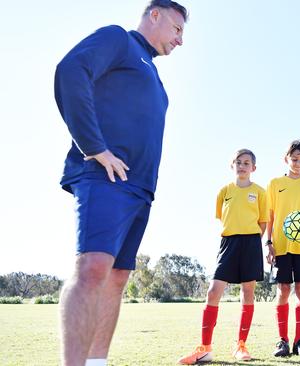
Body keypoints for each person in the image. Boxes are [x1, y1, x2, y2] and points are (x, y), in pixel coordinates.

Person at [54, 2, 187, 365]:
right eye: (177, 29)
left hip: (140, 189)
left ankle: (98, 362)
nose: (180, 41)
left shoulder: (153, 75)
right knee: (93, 268)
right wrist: (94, 147)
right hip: (105, 177)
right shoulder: (118, 40)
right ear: (154, 15)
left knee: (117, 277)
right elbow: (71, 70)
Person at [178, 149, 268, 364]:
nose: (242, 165)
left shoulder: (260, 192)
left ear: (253, 168)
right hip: (229, 243)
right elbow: (222, 217)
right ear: (232, 165)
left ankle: (241, 345)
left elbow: (263, 222)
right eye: (238, 162)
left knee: (248, 290)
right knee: (213, 291)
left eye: (246, 163)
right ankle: (205, 348)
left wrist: (251, 241)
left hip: (251, 243)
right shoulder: (224, 191)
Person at [265, 140, 300, 357]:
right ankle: (283, 341)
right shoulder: (274, 183)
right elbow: (269, 215)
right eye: (294, 159)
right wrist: (269, 243)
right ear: (286, 158)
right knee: (283, 291)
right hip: (280, 245)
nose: (298, 164)